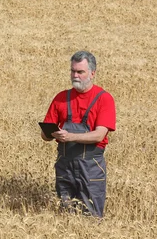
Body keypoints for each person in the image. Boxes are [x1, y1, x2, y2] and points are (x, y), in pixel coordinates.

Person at [41, 50, 116, 217]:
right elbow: (44, 135)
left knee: (91, 217)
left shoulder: (104, 99)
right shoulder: (61, 98)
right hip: (64, 164)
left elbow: (99, 135)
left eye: (80, 72)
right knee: (65, 215)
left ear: (92, 73)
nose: (75, 75)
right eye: (73, 71)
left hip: (90, 167)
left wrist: (70, 137)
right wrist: (52, 134)